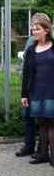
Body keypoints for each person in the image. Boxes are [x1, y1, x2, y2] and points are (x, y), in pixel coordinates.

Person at [21, 14, 54, 166]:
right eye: (33, 29)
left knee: (52, 123)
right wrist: (24, 95)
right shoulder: (31, 50)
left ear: (46, 30)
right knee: (41, 123)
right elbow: (26, 74)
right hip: (36, 91)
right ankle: (43, 155)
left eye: (37, 29)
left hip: (51, 91)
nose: (34, 32)